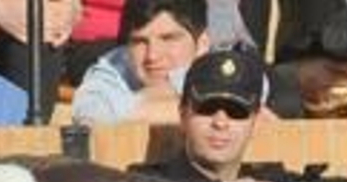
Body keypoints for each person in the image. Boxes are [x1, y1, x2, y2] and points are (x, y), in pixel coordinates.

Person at [134, 47, 347, 182]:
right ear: (183, 114)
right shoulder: (145, 181)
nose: (221, 122)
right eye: (207, 109)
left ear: (256, 121)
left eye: (236, 111)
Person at [72, 0, 273, 124]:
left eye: (169, 39)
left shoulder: (219, 54)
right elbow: (93, 115)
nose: (152, 55)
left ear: (203, 43)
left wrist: (135, 105)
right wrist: (210, 105)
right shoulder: (116, 62)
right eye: (140, 42)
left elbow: (255, 85)